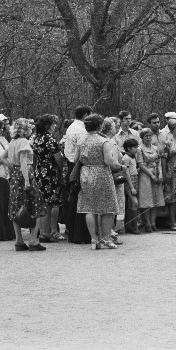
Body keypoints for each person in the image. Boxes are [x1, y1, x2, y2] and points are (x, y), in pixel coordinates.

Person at [77, 113, 123, 250]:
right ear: (100, 125)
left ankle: (94, 239)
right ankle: (106, 238)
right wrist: (121, 166)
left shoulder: (81, 140)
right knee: (108, 207)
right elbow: (109, 162)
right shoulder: (103, 141)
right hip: (101, 173)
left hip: (85, 173)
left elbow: (75, 159)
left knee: (89, 208)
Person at [8, 118, 46, 252]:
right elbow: (24, 162)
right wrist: (27, 181)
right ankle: (33, 240)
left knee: (17, 207)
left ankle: (19, 241)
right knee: (35, 206)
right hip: (25, 174)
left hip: (14, 175)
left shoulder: (12, 142)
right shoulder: (23, 141)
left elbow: (4, 157)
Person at [32, 114, 64, 242]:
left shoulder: (36, 138)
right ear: (47, 126)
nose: (55, 126)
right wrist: (62, 170)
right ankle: (48, 232)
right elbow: (59, 158)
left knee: (43, 202)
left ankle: (42, 232)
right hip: (51, 172)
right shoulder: (50, 139)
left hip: (40, 171)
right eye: (53, 124)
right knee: (52, 203)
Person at [63, 105, 92, 244]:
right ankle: (79, 233)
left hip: (72, 165)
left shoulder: (71, 127)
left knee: (74, 199)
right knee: (80, 199)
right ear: (86, 115)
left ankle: (73, 230)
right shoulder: (81, 130)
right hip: (77, 165)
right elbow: (82, 153)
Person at [136, 129, 164, 232]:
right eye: (146, 136)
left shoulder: (155, 148)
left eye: (150, 136)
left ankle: (153, 222)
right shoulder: (140, 149)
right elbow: (140, 164)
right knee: (147, 200)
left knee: (156, 199)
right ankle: (147, 223)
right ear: (142, 138)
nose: (148, 137)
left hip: (156, 173)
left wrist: (160, 173)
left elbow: (159, 162)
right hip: (146, 175)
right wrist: (151, 175)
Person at [121, 138, 141, 234]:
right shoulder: (126, 158)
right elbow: (127, 173)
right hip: (130, 181)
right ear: (128, 148)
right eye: (134, 147)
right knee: (134, 202)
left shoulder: (133, 157)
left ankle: (130, 225)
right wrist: (131, 187)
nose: (136, 149)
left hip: (135, 178)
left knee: (132, 204)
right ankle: (134, 226)